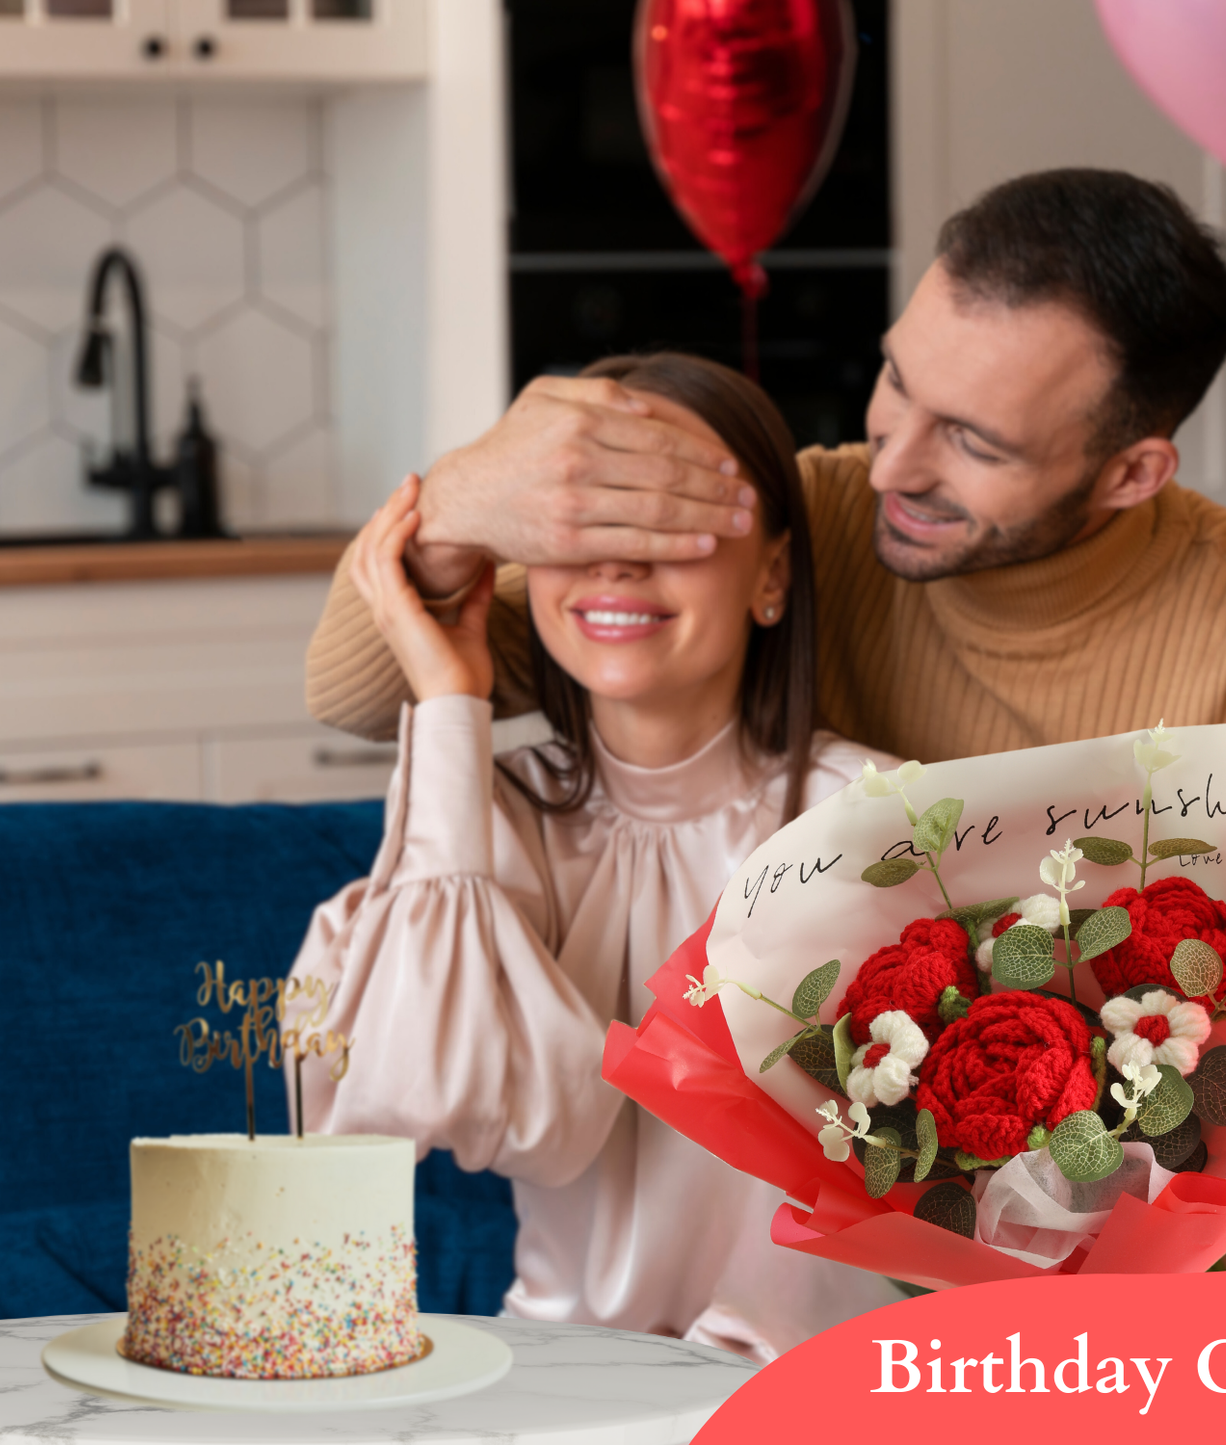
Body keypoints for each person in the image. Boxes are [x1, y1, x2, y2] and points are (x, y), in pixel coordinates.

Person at [305, 169, 1226, 1268]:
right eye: (895, 382)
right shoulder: (812, 520)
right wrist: (456, 505)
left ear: (1127, 473)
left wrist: (1200, 1276)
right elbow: (357, 688)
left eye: (974, 442)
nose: (893, 461)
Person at [288, 353, 903, 1361]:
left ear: (772, 575)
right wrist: (447, 705)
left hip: (806, 1385)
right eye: (584, 525)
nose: (618, 562)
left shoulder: (879, 822)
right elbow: (425, 1089)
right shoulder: (493, 810)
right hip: (562, 1380)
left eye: (671, 521)